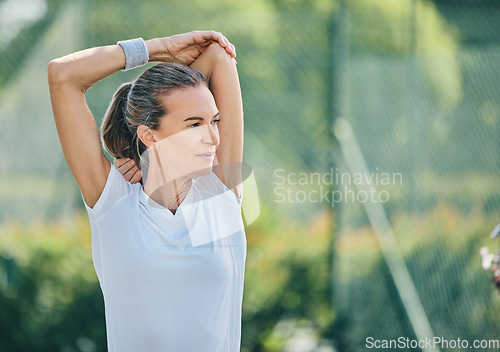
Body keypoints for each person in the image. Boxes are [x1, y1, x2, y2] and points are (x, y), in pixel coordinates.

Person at [48, 31, 246, 352]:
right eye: (194, 124)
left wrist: (171, 71)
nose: (213, 137)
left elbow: (218, 56)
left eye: (215, 121)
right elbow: (63, 75)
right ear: (149, 136)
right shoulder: (114, 203)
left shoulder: (220, 191)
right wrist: (155, 49)